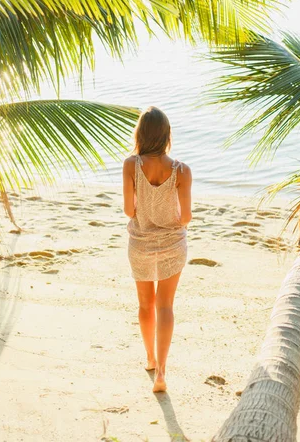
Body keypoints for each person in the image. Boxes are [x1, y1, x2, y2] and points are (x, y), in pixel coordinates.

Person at [123, 106, 192, 393]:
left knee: (145, 304)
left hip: (140, 243)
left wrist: (146, 211)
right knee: (165, 306)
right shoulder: (181, 170)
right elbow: (186, 217)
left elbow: (129, 211)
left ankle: (150, 359)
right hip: (173, 244)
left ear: (141, 134)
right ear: (166, 135)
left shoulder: (131, 165)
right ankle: (162, 372)